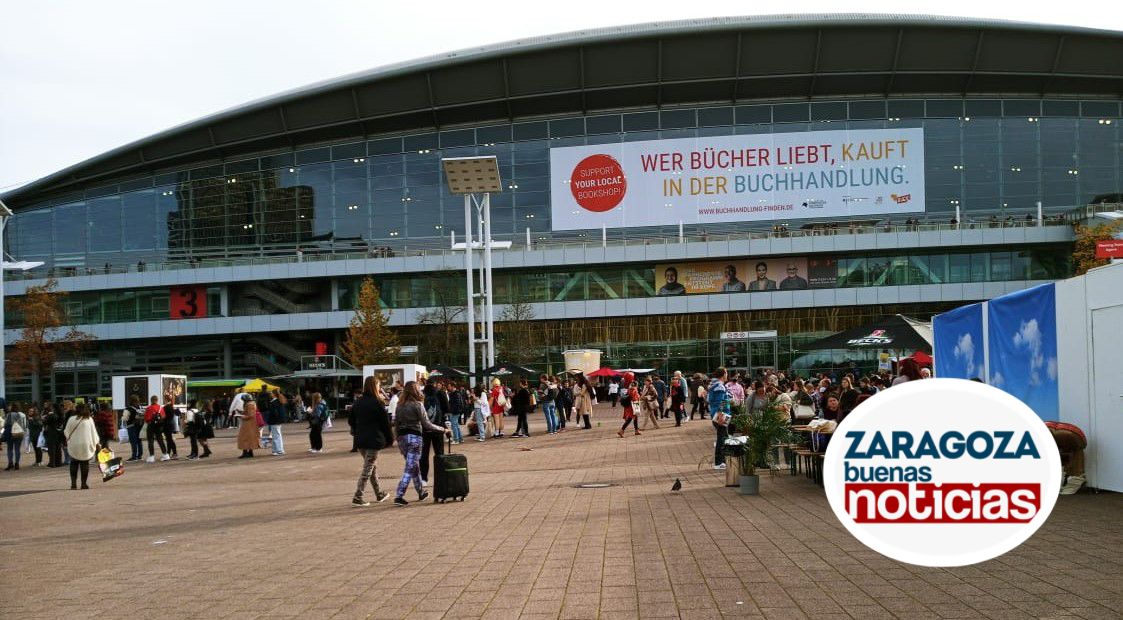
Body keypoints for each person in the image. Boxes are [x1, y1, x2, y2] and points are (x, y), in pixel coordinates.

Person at [393, 381, 450, 506]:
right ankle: (399, 494)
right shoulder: (418, 405)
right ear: (416, 391)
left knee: (414, 466)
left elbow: (395, 423)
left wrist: (396, 438)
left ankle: (421, 492)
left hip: (402, 437)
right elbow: (427, 424)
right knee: (410, 467)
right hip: (414, 437)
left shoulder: (399, 405)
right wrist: (443, 429)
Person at [349, 376, 394, 506]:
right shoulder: (377, 402)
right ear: (375, 386)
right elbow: (385, 423)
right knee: (368, 468)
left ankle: (379, 493)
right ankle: (358, 496)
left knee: (371, 467)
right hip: (373, 439)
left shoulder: (358, 402)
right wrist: (390, 439)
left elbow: (351, 420)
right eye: (379, 385)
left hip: (361, 439)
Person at [420, 380, 450, 485]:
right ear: (435, 384)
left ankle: (424, 478)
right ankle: (441, 477)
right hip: (438, 428)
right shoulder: (440, 393)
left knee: (424, 454)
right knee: (439, 453)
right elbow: (447, 408)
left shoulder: (422, 394)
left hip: (424, 429)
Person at [63, 404, 99, 489]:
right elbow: (93, 432)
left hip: (74, 444)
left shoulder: (71, 419)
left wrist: (69, 439)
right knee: (84, 464)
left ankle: (73, 484)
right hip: (86, 444)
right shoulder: (89, 419)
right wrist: (96, 442)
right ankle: (83, 484)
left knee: (74, 463)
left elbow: (66, 431)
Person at [707, 368, 732, 470]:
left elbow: (711, 400)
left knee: (723, 437)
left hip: (718, 414)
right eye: (726, 373)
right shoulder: (719, 386)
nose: (727, 375)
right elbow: (720, 401)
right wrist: (721, 414)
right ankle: (719, 462)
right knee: (722, 439)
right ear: (723, 374)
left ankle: (721, 461)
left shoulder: (715, 385)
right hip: (721, 415)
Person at [144, 395, 169, 463]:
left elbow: (146, 418)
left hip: (151, 426)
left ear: (151, 400)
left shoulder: (149, 408)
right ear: (157, 400)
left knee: (150, 441)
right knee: (160, 440)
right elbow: (163, 416)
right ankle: (165, 454)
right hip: (159, 426)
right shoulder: (161, 408)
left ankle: (151, 456)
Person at [3, 403, 27, 470]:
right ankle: (17, 464)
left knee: (9, 448)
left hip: (10, 432)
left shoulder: (9, 414)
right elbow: (23, 425)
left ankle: (10, 463)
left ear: (12, 407)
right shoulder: (20, 414)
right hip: (18, 432)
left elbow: (5, 424)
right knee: (17, 449)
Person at [265, 388, 287, 456]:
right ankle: (276, 450)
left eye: (271, 393)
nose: (270, 394)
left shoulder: (274, 402)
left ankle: (279, 450)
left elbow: (274, 413)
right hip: (277, 421)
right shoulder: (278, 401)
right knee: (276, 435)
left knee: (276, 436)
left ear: (274, 394)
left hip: (274, 421)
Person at [123, 396, 144, 461]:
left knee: (133, 442)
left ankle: (134, 456)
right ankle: (140, 456)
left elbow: (125, 418)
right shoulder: (141, 407)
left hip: (131, 426)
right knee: (139, 441)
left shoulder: (128, 409)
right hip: (139, 426)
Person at [43, 403, 64, 468]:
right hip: (59, 432)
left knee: (51, 448)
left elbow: (45, 422)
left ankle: (52, 463)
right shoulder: (61, 414)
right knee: (58, 448)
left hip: (51, 432)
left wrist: (45, 418)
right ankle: (59, 462)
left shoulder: (52, 415)